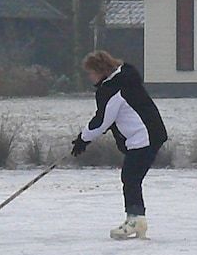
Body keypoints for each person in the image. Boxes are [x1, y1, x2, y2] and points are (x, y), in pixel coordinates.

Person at [71, 49, 169, 239]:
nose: (89, 77)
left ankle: (136, 220)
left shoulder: (112, 90)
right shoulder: (124, 78)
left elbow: (102, 121)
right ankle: (136, 219)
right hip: (149, 133)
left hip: (143, 137)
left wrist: (83, 139)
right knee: (132, 177)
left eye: (91, 72)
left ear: (100, 71)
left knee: (130, 177)